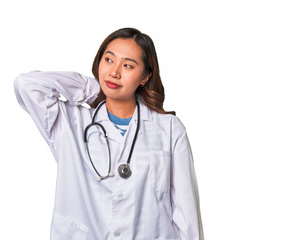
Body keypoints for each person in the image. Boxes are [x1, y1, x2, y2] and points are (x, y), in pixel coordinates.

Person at [14, 27, 204, 240]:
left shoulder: (169, 128)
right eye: (109, 60)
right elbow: (27, 85)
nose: (114, 72)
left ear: (145, 77)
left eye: (128, 65)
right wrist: (94, 89)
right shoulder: (71, 124)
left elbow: (186, 213)